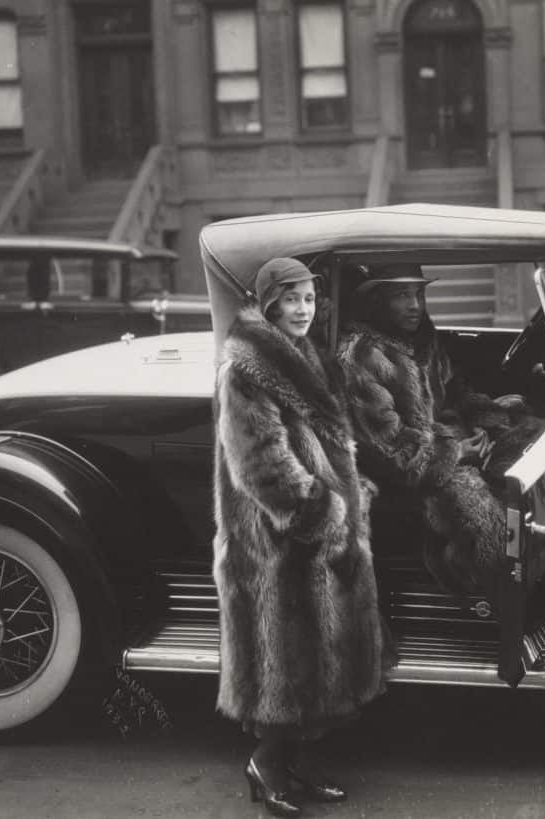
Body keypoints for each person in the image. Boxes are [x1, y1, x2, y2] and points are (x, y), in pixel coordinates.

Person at [212, 257, 390, 817]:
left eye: (309, 299)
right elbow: (262, 465)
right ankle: (266, 765)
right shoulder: (246, 368)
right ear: (268, 304)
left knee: (315, 664)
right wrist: (326, 517)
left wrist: (352, 492)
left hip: (314, 535)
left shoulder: (305, 355)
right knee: (283, 668)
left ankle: (295, 767)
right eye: (291, 300)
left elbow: (327, 442)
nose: (303, 310)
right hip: (277, 543)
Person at [336, 263, 538, 601]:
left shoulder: (422, 340)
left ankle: (535, 567)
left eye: (419, 294)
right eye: (402, 296)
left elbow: (455, 390)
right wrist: (457, 452)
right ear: (378, 301)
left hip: (446, 442)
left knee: (530, 438)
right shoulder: (361, 356)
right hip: (405, 471)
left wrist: (486, 419)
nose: (416, 305)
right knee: (480, 510)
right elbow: (389, 449)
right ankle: (491, 598)